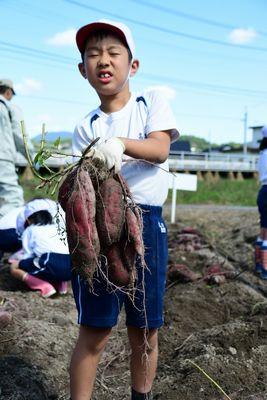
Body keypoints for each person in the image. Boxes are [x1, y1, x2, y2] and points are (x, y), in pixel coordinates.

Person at [70, 19, 179, 400]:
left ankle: (141, 397)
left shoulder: (151, 102)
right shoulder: (87, 126)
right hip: (101, 228)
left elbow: (159, 148)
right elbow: (88, 186)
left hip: (147, 222)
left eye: (114, 53)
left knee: (145, 329)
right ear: (83, 70)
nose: (104, 60)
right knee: (95, 330)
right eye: (93, 54)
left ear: (132, 65)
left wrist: (117, 143)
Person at [9, 208, 71, 298]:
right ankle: (62, 288)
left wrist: (16, 260)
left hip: (51, 260)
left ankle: (45, 287)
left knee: (14, 266)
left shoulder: (30, 229)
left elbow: (28, 255)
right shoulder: (58, 227)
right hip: (71, 266)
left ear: (29, 221)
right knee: (56, 261)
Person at [0, 79, 32, 218]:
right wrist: (33, 159)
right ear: (8, 92)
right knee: (11, 201)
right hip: (2, 159)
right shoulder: (7, 106)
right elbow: (21, 137)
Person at [255, 125, 267, 280]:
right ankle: (265, 269)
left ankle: (258, 265)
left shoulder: (262, 154)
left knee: (263, 230)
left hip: (263, 191)